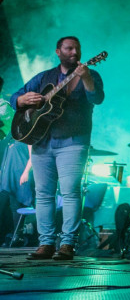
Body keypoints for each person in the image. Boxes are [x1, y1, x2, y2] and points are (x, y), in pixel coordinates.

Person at [10, 36, 105, 260]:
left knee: (70, 192)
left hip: (73, 140)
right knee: (43, 194)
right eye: (69, 48)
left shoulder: (89, 74)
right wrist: (22, 101)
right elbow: (16, 96)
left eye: (77, 48)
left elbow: (97, 98)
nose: (74, 52)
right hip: (42, 141)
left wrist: (87, 79)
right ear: (58, 52)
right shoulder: (45, 77)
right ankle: (46, 244)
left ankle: (67, 244)